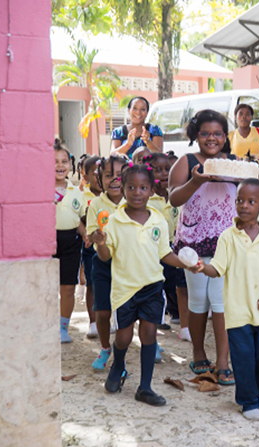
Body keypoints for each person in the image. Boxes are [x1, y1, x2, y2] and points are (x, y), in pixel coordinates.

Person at [93, 163, 201, 406]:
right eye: (131, 187)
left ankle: (145, 387)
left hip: (152, 287)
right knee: (123, 337)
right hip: (124, 290)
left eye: (143, 187)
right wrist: (100, 243)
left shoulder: (158, 221)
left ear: (151, 190)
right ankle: (119, 366)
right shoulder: (115, 221)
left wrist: (186, 264)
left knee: (149, 334)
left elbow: (165, 253)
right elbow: (106, 256)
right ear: (123, 188)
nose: (137, 192)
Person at [198, 179, 259, 420]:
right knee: (243, 358)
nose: (244, 206)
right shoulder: (228, 236)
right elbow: (217, 268)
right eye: (239, 201)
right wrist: (201, 268)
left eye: (251, 201)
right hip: (236, 310)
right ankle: (248, 402)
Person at [168, 110, 236, 386]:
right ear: (196, 135)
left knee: (221, 304)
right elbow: (173, 197)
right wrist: (196, 181)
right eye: (205, 133)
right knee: (198, 303)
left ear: (225, 137)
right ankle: (198, 351)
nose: (211, 138)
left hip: (226, 243)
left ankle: (223, 362)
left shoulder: (233, 163)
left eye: (217, 133)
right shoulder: (187, 162)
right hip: (193, 244)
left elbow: (249, 192)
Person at [86, 155, 127, 370]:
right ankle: (104, 348)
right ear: (99, 179)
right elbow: (97, 242)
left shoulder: (134, 201)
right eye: (109, 175)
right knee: (103, 311)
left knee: (130, 311)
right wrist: (98, 240)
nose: (114, 180)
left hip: (130, 264)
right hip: (103, 264)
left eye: (120, 175)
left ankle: (149, 342)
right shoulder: (96, 205)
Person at [54, 141, 88, 343]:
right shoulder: (38, 190)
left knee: (68, 288)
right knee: (47, 288)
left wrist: (85, 234)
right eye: (55, 161)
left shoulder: (77, 192)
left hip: (71, 244)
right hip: (47, 242)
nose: (60, 165)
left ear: (70, 164)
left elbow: (79, 220)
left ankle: (63, 327)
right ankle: (46, 324)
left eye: (64, 161)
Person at [145, 153, 184, 331]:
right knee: (157, 283)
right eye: (157, 170)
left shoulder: (175, 197)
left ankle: (175, 312)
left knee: (172, 280)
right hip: (151, 249)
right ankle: (158, 316)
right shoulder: (147, 199)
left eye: (167, 169)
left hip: (171, 246)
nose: (163, 173)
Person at [80, 155, 102, 339]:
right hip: (90, 246)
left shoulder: (112, 196)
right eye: (93, 173)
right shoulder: (82, 196)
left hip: (109, 246)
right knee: (92, 284)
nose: (98, 176)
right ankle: (93, 321)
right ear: (85, 176)